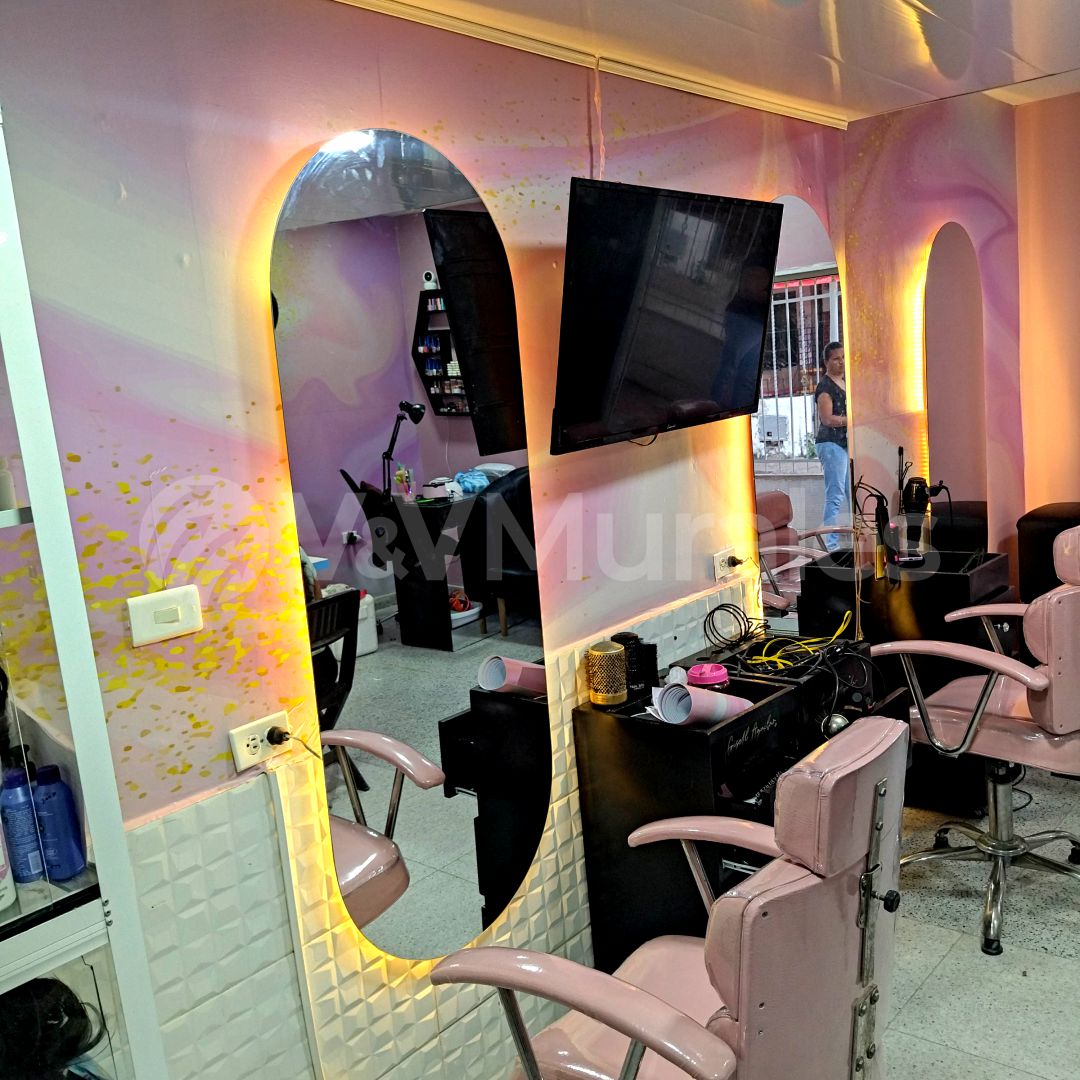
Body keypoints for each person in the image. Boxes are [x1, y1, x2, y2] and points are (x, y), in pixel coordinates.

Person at [814, 341, 849, 550]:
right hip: (831, 444)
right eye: (836, 358)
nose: (841, 362)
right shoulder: (825, 387)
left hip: (843, 444)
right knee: (835, 496)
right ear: (826, 362)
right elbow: (827, 419)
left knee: (852, 492)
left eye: (843, 357)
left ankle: (858, 540)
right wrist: (850, 420)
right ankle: (831, 546)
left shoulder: (844, 382)